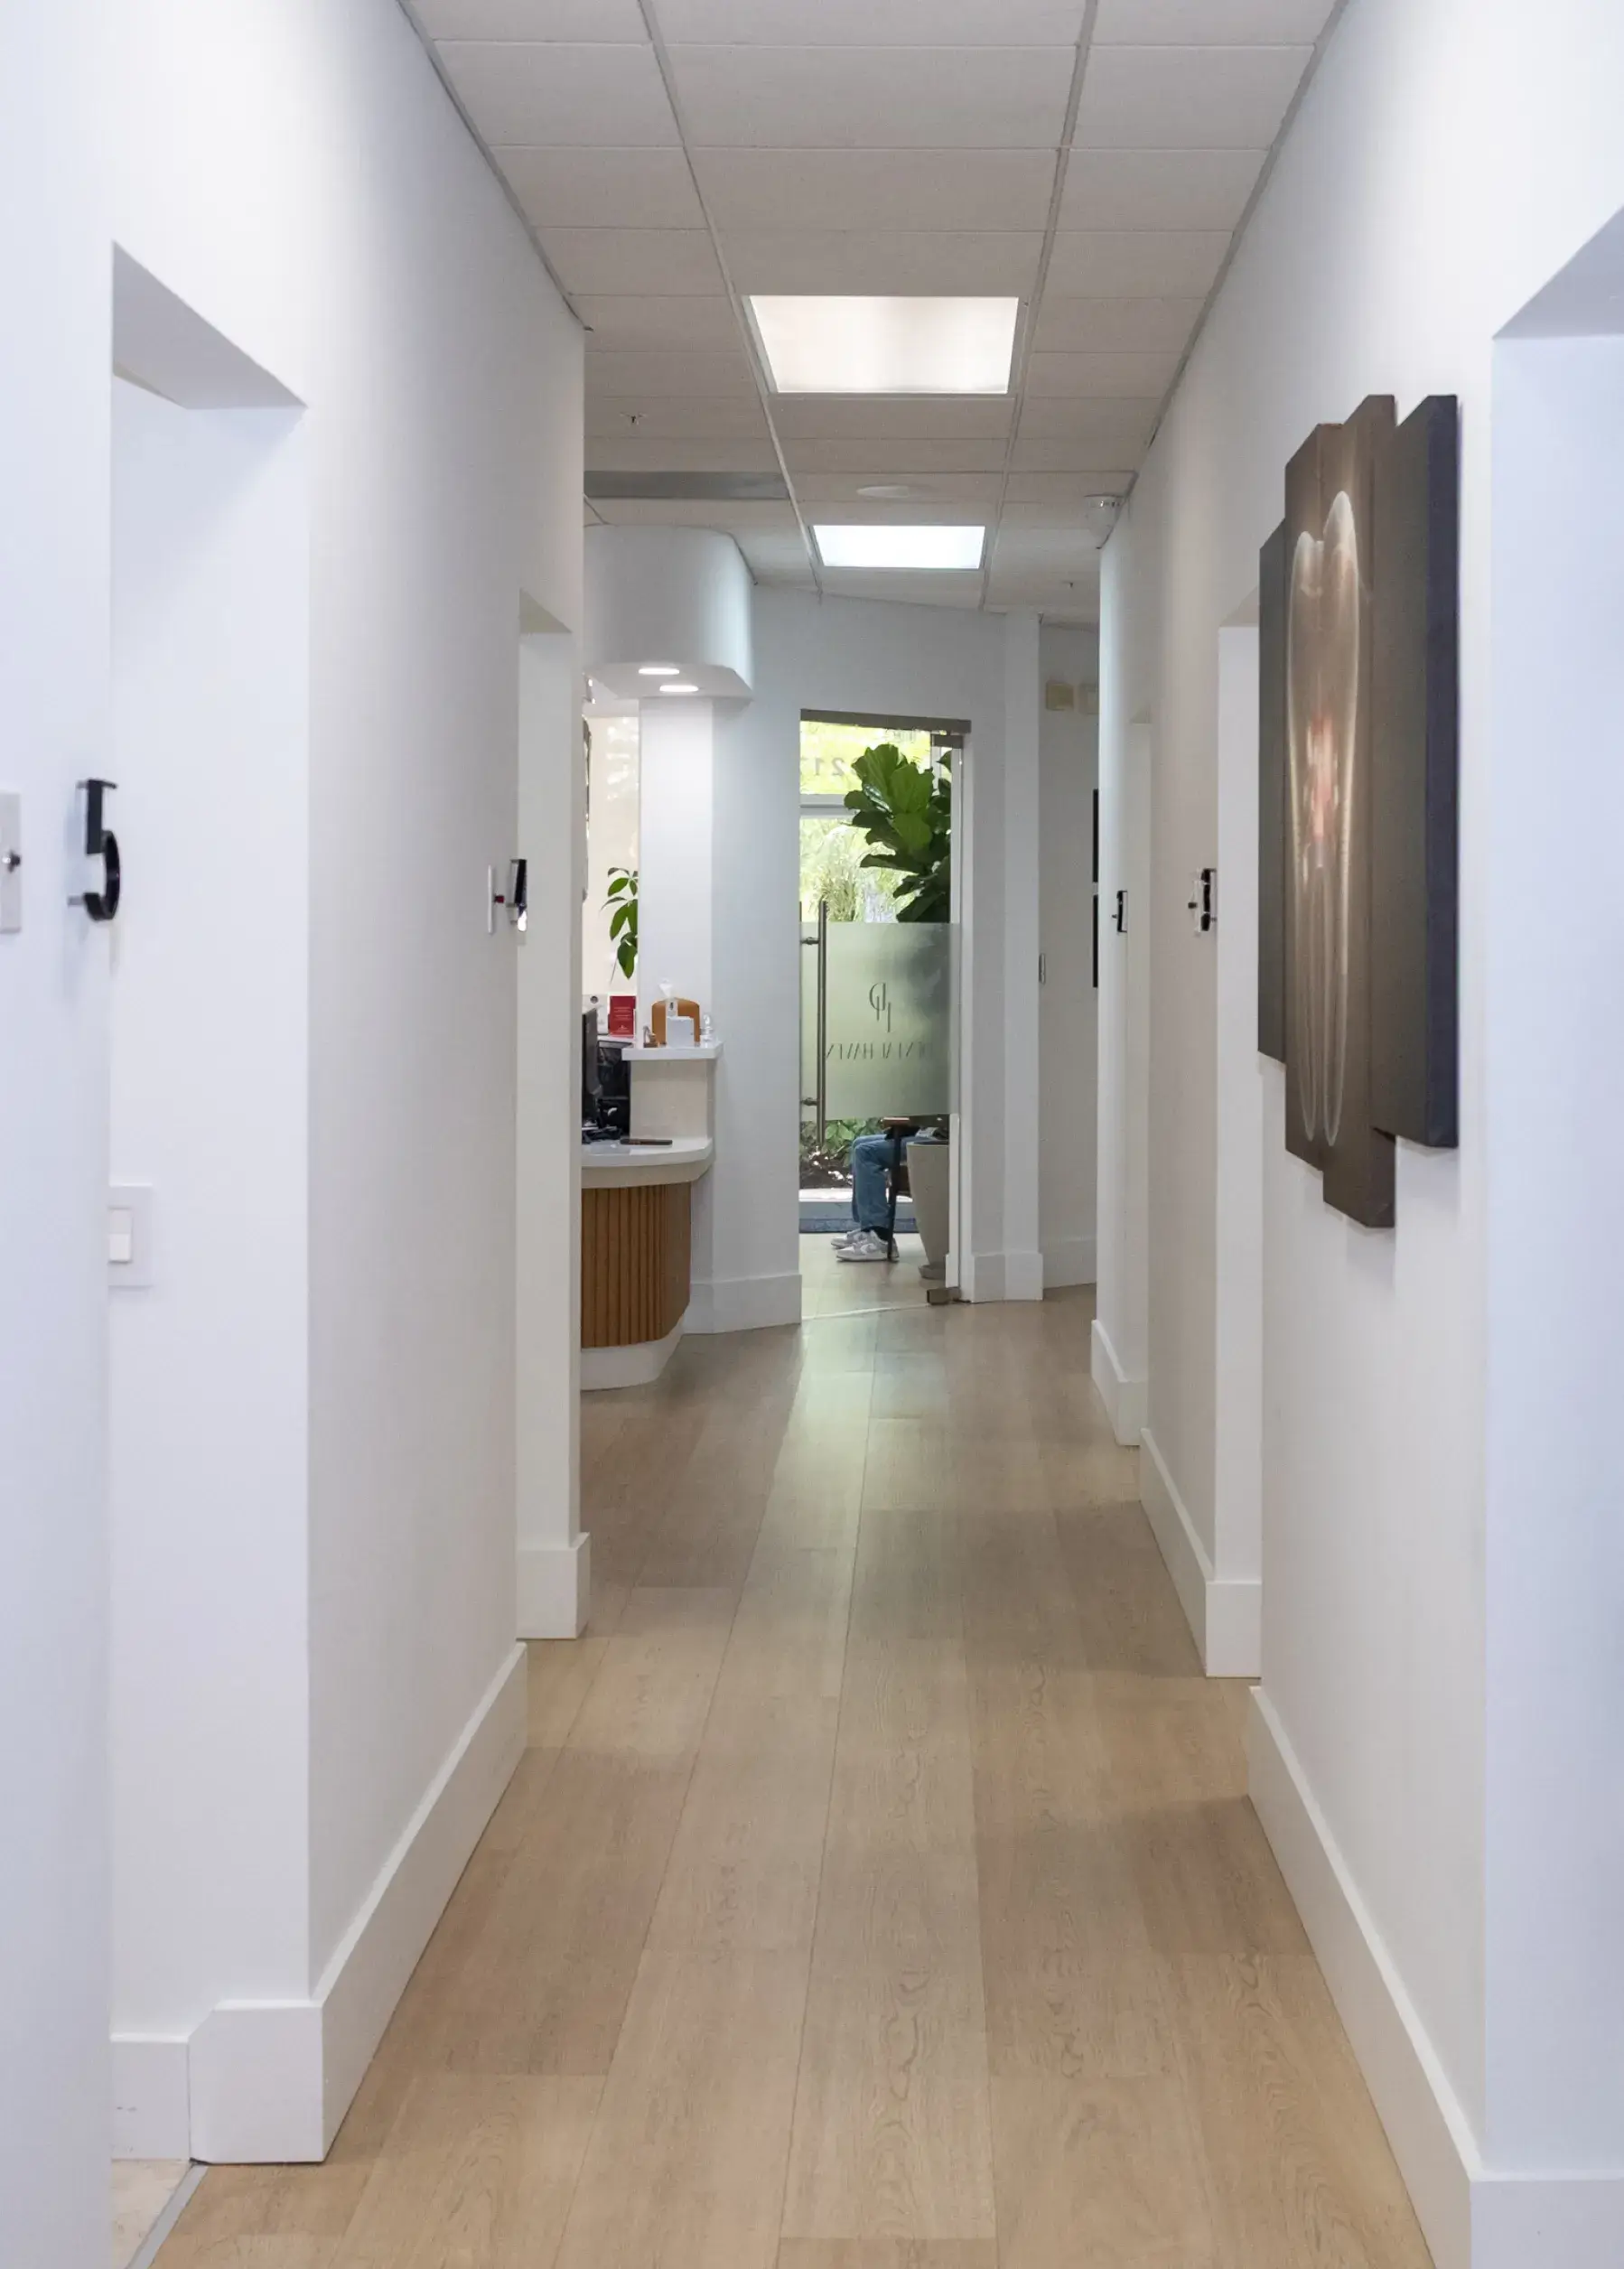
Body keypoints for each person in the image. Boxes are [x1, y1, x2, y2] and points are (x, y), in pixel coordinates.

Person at [832, 1127, 899, 1263]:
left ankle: (881, 1237)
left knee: (865, 1152)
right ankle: (868, 1229)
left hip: (937, 1138)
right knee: (858, 1143)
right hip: (924, 1133)